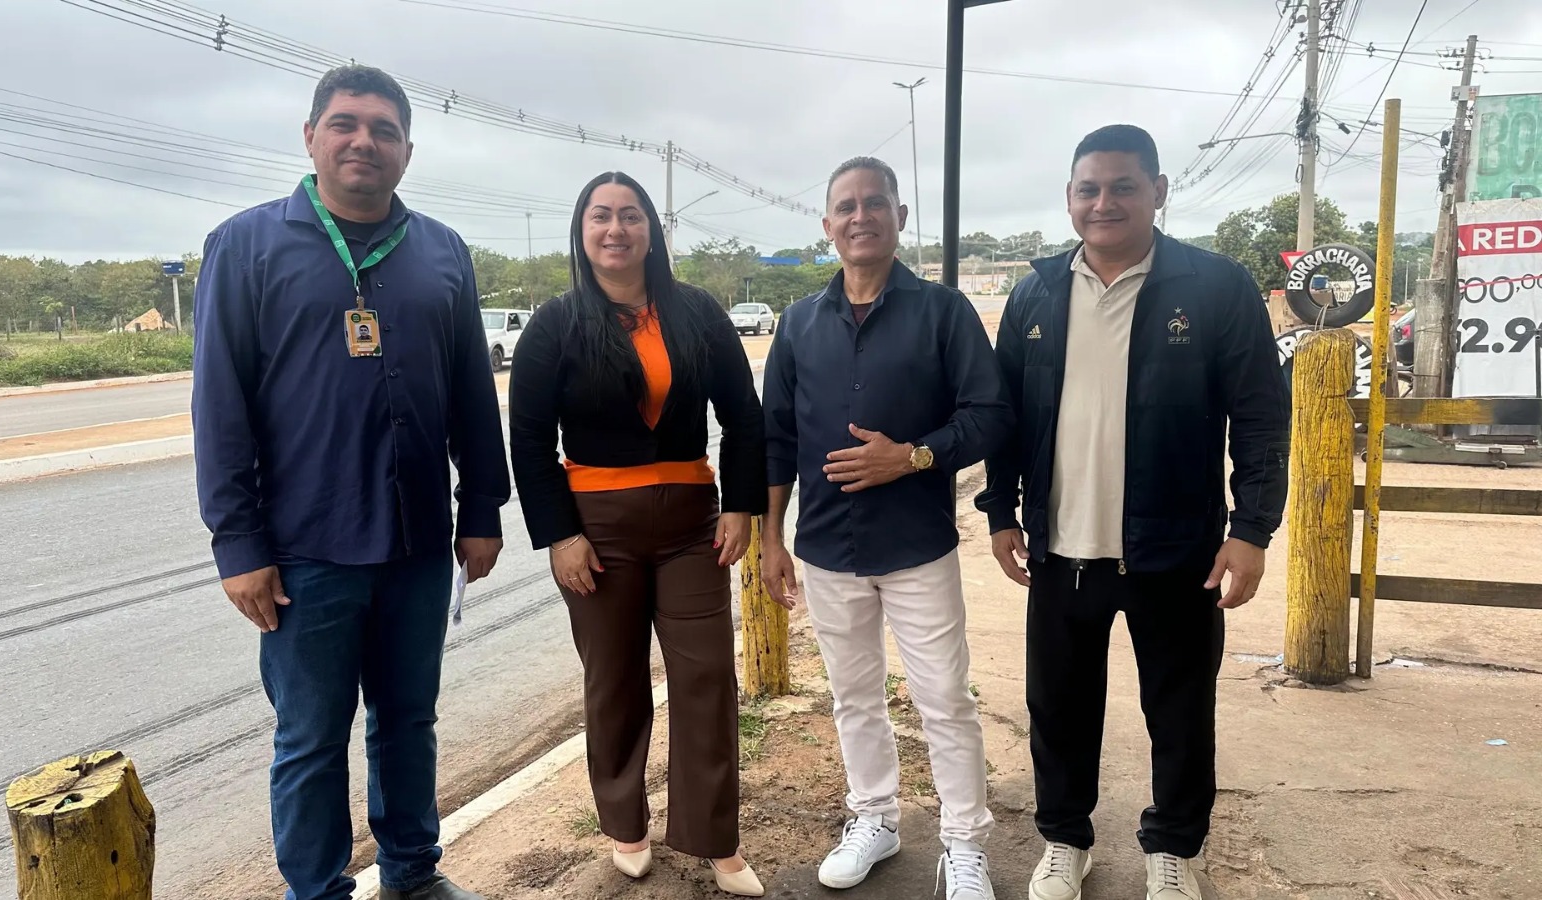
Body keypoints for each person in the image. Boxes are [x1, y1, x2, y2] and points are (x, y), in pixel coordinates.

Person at [192, 65, 507, 900]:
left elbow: (473, 391)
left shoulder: (441, 252)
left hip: (414, 545)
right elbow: (219, 408)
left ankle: (412, 874)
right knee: (310, 738)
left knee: (408, 722)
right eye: (344, 124)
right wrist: (238, 543)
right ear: (311, 138)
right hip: (304, 554)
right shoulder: (246, 246)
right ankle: (319, 891)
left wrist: (481, 507)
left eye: (383, 129)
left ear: (407, 150)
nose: (363, 140)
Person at [975, 124, 1290, 900]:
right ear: (1070, 197)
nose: (1104, 202)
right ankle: (1065, 841)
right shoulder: (1036, 291)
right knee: (1058, 708)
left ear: (1158, 191)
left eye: (1122, 186)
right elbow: (1006, 415)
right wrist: (1000, 512)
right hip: (1061, 549)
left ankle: (1175, 849)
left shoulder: (1215, 287)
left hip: (1176, 550)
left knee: (1179, 709)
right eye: (1089, 188)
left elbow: (1259, 417)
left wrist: (1251, 529)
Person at [507, 171, 768, 897]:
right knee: (614, 683)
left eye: (630, 216)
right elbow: (528, 442)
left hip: (693, 527)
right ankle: (625, 825)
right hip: (597, 534)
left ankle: (715, 838)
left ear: (652, 230)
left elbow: (744, 418)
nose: (615, 229)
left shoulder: (698, 313)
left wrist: (742, 506)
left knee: (707, 678)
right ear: (582, 231)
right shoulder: (555, 324)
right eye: (601, 216)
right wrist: (560, 536)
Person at [760, 156, 1011, 899]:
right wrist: (771, 538)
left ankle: (965, 844)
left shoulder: (944, 313)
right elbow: (775, 435)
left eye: (876, 203)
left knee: (944, 700)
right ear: (827, 225)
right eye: (846, 205)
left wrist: (913, 457)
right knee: (854, 697)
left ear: (900, 217)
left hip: (917, 548)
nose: (861, 215)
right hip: (828, 549)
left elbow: (990, 417)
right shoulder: (798, 323)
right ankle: (876, 818)